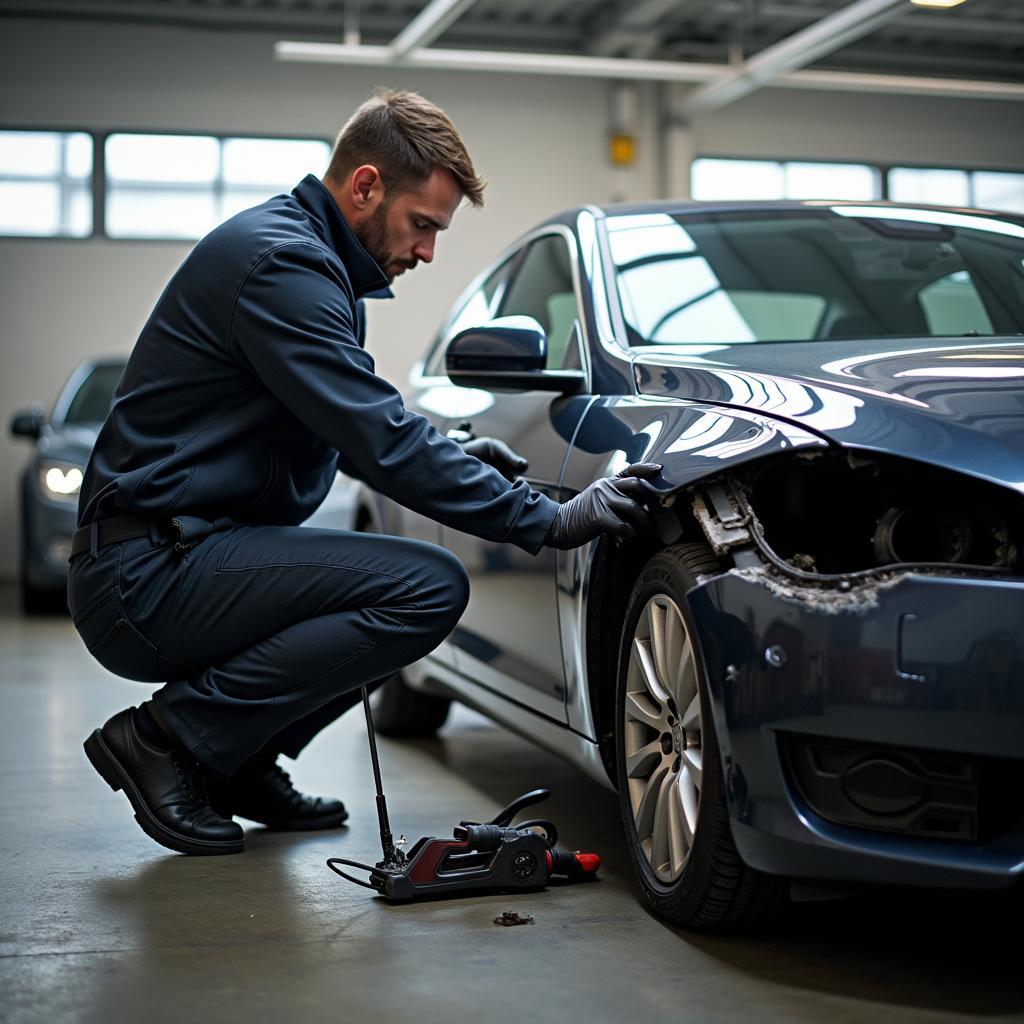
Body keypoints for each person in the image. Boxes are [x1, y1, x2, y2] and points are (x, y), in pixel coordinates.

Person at [68, 88, 659, 857]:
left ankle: (240, 759)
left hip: (180, 553)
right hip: (143, 575)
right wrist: (543, 518)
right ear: (366, 185)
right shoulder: (283, 264)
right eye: (423, 226)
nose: (426, 252)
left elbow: (344, 430)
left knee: (392, 587)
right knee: (423, 588)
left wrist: (462, 458)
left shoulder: (308, 265)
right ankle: (165, 739)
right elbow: (375, 434)